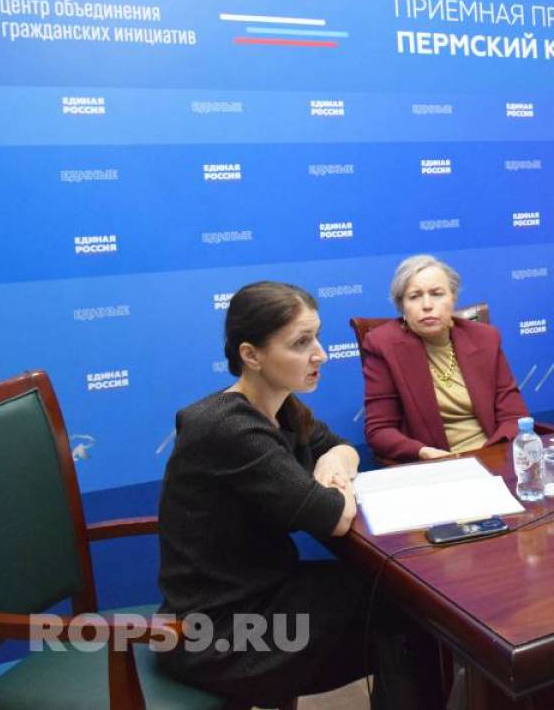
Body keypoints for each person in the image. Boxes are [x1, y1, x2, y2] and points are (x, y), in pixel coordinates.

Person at [157, 281, 441, 709]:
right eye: (301, 343)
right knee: (410, 617)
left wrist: (332, 466)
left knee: (410, 604)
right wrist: (336, 489)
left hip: (265, 594)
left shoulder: (281, 407)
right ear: (251, 355)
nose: (320, 354)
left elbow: (340, 448)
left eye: (317, 337)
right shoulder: (228, 427)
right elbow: (333, 517)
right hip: (222, 633)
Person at [362, 254, 528, 463]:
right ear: (402, 306)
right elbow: (380, 431)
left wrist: (489, 456)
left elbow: (514, 416)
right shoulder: (383, 345)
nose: (427, 305)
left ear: (453, 298)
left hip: (493, 455)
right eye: (414, 296)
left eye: (437, 294)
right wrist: (422, 452)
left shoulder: (485, 338)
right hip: (434, 464)